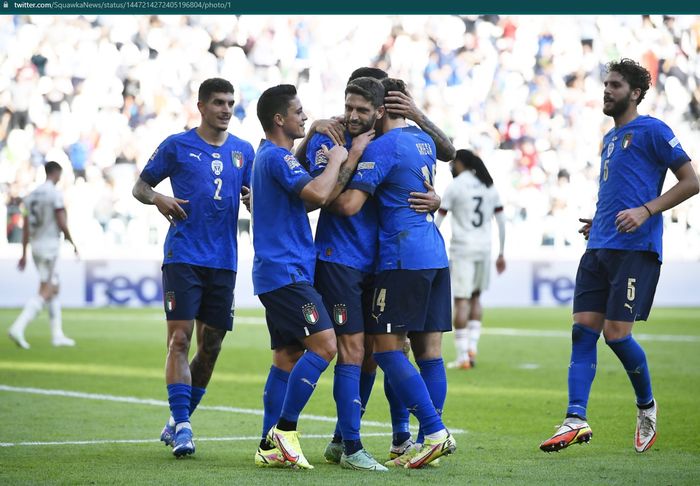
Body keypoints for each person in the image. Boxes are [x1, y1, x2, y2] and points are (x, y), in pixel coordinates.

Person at [539, 58, 698, 454]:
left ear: (636, 92)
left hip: (636, 250)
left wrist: (646, 210)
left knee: (616, 335)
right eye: (605, 84)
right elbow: (621, 190)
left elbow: (692, 182)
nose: (606, 91)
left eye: (614, 85)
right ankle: (575, 418)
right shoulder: (609, 139)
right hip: (600, 246)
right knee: (582, 331)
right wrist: (601, 221)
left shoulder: (654, 130)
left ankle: (646, 406)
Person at [332, 77, 457, 469]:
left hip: (402, 258)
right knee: (429, 354)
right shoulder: (422, 141)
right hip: (435, 254)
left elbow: (350, 205)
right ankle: (422, 444)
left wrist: (308, 191)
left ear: (381, 109)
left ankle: (435, 431)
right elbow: (447, 151)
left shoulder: (382, 147)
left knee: (386, 350)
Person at [132, 78, 254, 458]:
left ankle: (177, 419)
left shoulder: (243, 152)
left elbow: (252, 200)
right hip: (183, 256)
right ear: (200, 106)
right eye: (218, 102)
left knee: (212, 346)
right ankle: (184, 426)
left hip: (224, 261)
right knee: (180, 340)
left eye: (230, 102)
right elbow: (140, 187)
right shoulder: (177, 145)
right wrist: (158, 198)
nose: (225, 109)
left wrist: (257, 205)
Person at [251, 84, 350, 470]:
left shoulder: (271, 157)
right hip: (287, 273)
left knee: (287, 357)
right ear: (280, 119)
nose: (305, 116)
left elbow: (301, 190)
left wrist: (312, 137)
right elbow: (318, 195)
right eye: (299, 112)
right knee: (325, 347)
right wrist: (337, 160)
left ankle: (266, 442)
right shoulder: (276, 158)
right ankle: (284, 432)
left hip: (275, 273)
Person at [307, 77, 386, 471]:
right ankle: (353, 446)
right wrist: (353, 152)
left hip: (378, 262)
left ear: (379, 111)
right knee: (351, 350)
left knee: (371, 355)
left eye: (361, 110)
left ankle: (341, 439)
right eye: (348, 107)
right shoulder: (329, 142)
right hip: (338, 259)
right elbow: (331, 199)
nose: (352, 116)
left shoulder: (387, 144)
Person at [435, 149, 506, 369]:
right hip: (485, 248)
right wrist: (502, 252)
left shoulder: (455, 186)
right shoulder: (487, 185)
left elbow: (439, 219)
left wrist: (428, 241)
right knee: (476, 298)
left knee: (461, 301)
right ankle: (472, 347)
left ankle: (463, 355)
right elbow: (501, 221)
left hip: (462, 248)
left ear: (460, 164)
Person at [8, 161, 78, 349]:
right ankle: (18, 326)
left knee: (53, 287)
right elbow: (61, 222)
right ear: (56, 174)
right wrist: (73, 243)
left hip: (36, 246)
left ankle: (57, 335)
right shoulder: (54, 194)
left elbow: (25, 227)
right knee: (48, 289)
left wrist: (23, 253)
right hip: (50, 247)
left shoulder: (31, 196)